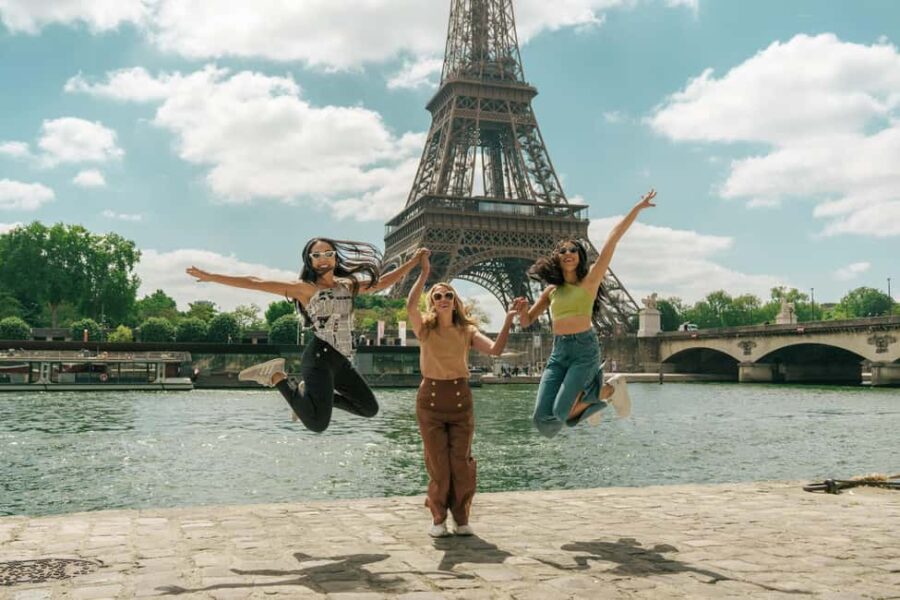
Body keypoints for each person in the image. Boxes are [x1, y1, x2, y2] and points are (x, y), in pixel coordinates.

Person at [186, 239, 426, 433]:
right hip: (319, 358)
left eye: (327, 253)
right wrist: (211, 276)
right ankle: (278, 377)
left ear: (335, 257)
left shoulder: (347, 285)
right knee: (317, 424)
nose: (322, 259)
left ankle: (306, 394)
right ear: (309, 261)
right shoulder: (305, 288)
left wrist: (413, 262)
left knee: (368, 408)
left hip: (341, 360)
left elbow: (381, 283)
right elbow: (255, 282)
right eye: (316, 255)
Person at [516, 189, 657, 437]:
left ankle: (608, 391)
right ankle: (600, 394)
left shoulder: (590, 280)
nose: (568, 253)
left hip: (584, 350)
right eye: (563, 251)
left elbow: (613, 238)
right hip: (558, 353)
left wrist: (637, 207)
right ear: (557, 258)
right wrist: (520, 311)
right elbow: (527, 320)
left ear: (580, 256)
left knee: (560, 414)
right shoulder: (551, 290)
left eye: (573, 250)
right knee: (543, 422)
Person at [406, 249, 522, 537]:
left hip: (460, 400)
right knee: (438, 465)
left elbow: (495, 350)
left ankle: (461, 516)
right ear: (431, 303)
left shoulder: (467, 331)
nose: (443, 299)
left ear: (455, 301)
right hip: (430, 401)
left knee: (461, 464)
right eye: (437, 296)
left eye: (448, 296)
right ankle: (437, 518)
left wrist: (508, 319)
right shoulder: (425, 329)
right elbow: (410, 306)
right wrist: (423, 275)